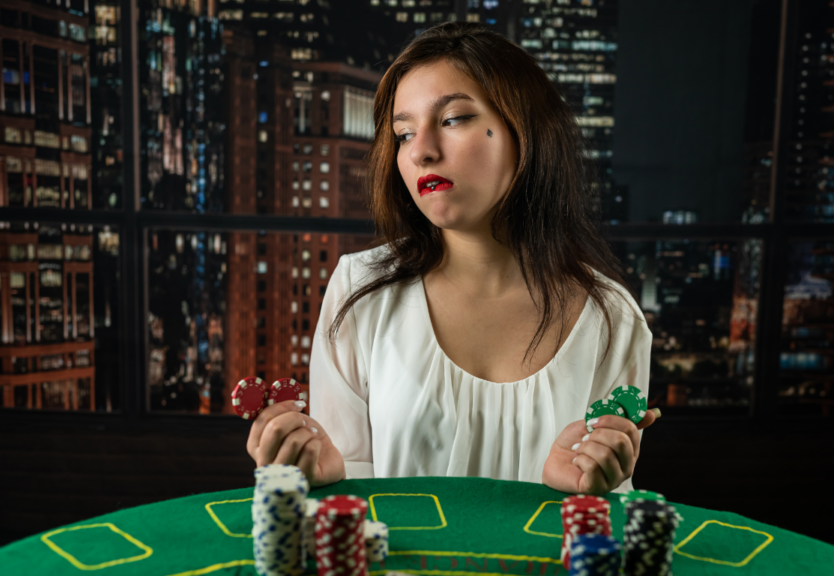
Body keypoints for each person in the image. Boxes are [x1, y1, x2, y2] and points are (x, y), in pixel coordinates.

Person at [245, 21, 656, 496]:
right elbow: (343, 492)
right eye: (403, 134)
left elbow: (607, 526)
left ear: (525, 129)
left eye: (452, 119)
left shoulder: (612, 318)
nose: (421, 151)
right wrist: (321, 474)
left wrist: (592, 487)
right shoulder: (358, 291)